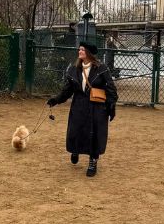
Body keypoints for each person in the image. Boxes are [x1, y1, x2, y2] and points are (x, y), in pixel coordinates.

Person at [46, 43, 118, 177]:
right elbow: (67, 90)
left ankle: (93, 161)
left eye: (82, 50)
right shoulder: (74, 69)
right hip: (79, 105)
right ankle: (75, 150)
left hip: (97, 107)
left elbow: (111, 88)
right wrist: (56, 100)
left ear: (89, 52)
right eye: (79, 49)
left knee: (94, 134)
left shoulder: (101, 68)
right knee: (75, 130)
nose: (79, 51)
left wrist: (111, 105)